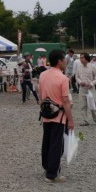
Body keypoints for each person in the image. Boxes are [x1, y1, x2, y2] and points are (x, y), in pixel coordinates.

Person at [38, 50, 74, 183]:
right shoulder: (63, 78)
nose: (65, 62)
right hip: (59, 115)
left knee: (46, 142)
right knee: (56, 144)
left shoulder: (43, 75)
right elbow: (65, 101)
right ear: (59, 61)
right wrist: (70, 120)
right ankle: (52, 174)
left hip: (46, 112)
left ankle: (47, 167)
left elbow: (41, 95)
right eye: (64, 59)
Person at [76, 53, 96, 126]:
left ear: (86, 58)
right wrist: (80, 82)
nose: (81, 59)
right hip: (82, 88)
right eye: (80, 58)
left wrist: (92, 84)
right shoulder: (79, 67)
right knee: (82, 105)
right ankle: (85, 121)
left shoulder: (92, 66)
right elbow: (77, 77)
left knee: (93, 105)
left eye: (82, 57)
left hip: (91, 88)